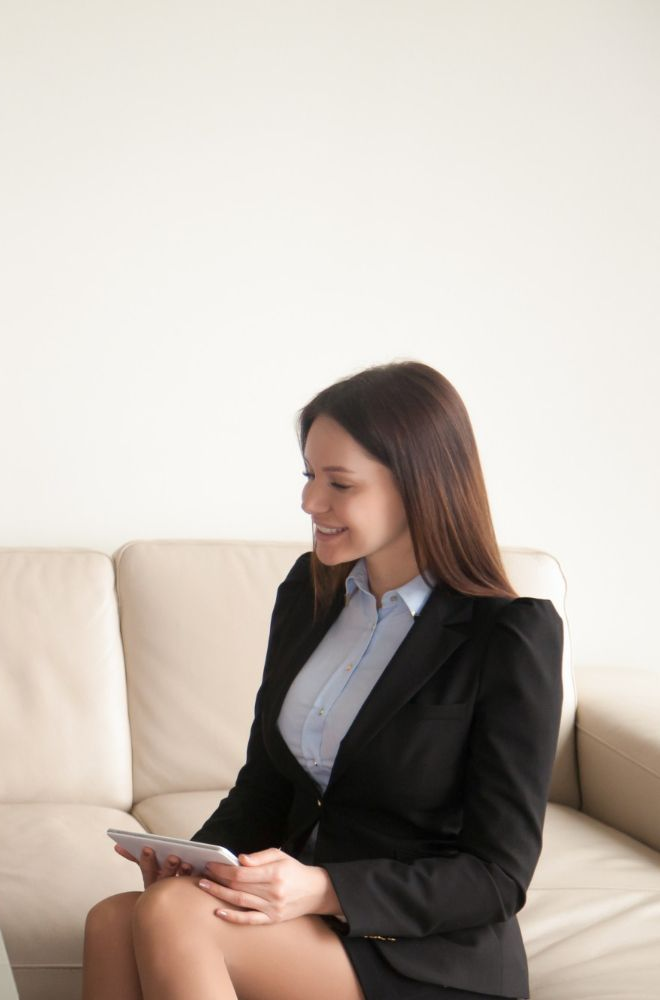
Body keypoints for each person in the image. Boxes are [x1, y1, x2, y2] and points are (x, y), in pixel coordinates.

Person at [81, 362, 564, 1000]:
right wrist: (191, 862)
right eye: (310, 476)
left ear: (420, 488)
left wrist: (327, 888)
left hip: (426, 953)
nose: (311, 502)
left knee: (175, 918)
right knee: (114, 920)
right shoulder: (310, 595)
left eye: (340, 483)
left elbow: (497, 877)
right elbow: (266, 783)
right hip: (307, 919)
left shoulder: (509, 636)